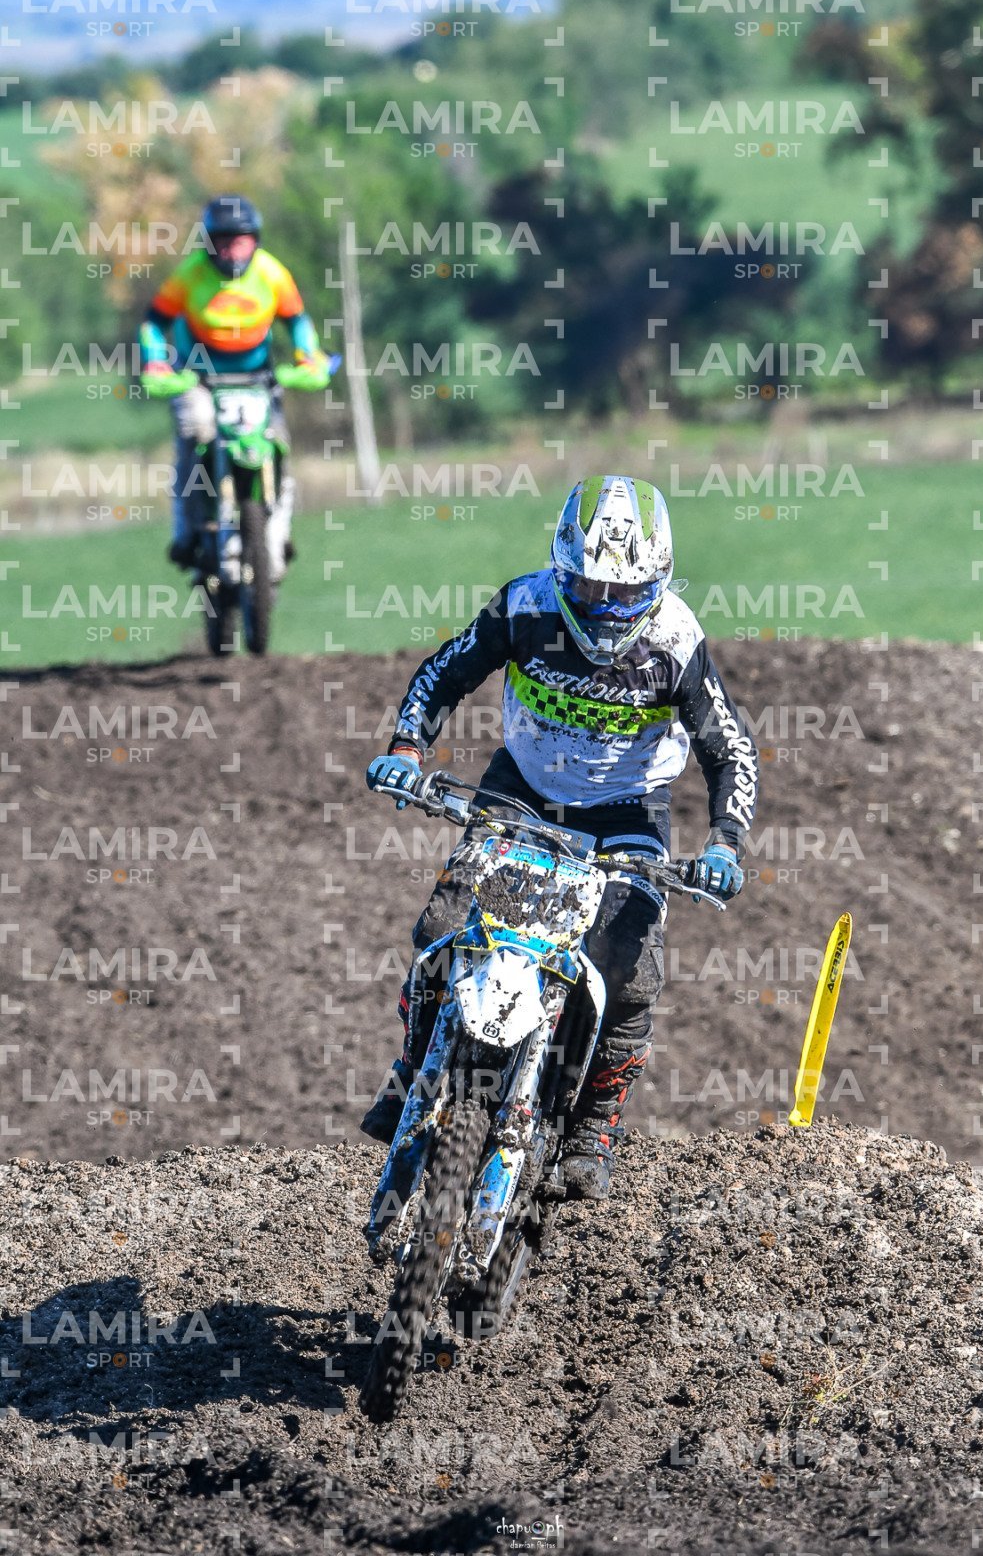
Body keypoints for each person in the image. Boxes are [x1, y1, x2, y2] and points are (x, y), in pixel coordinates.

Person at [361, 474, 760, 1200]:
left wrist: (724, 843)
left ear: (659, 580)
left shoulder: (676, 640)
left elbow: (728, 748)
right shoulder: (524, 606)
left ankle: (593, 1128)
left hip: (627, 811)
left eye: (624, 593)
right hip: (522, 790)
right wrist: (408, 750)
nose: (604, 608)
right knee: (444, 928)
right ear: (559, 569)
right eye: (587, 588)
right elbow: (444, 672)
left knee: (630, 968)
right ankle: (411, 1069)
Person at [138, 194, 329, 580]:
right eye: (223, 242)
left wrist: (308, 356)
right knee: (196, 431)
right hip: (198, 377)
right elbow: (154, 322)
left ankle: (278, 532)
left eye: (240, 241)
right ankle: (185, 530)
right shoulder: (190, 274)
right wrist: (156, 361)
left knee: (276, 443)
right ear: (209, 243)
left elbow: (297, 321)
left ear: (255, 241)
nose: (232, 251)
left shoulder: (271, 273)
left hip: (257, 379)